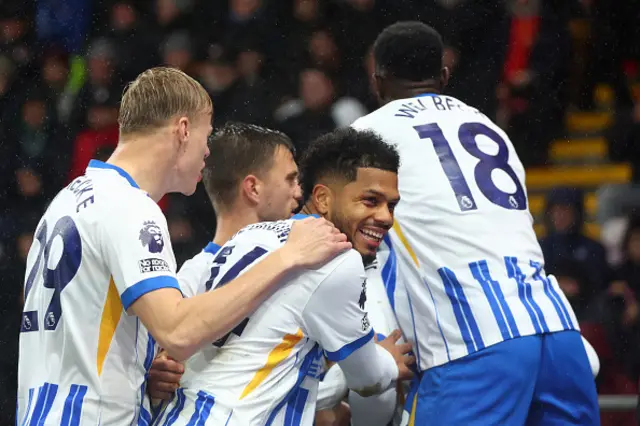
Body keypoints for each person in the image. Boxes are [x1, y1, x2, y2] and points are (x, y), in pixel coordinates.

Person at [16, 67, 350, 425]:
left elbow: (81, 330)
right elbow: (179, 331)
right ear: (184, 129)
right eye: (207, 134)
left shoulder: (68, 199)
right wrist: (288, 257)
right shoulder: (130, 207)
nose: (208, 151)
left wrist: (143, 371)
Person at [349, 22, 600, 425]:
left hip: (471, 341)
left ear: (377, 80)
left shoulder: (364, 138)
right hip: (557, 332)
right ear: (445, 75)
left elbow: (345, 253)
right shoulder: (490, 127)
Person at [151, 127, 414, 425]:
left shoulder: (247, 236)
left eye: (391, 205)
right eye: (370, 201)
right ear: (324, 199)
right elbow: (369, 379)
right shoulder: (335, 258)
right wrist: (389, 363)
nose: (386, 217)